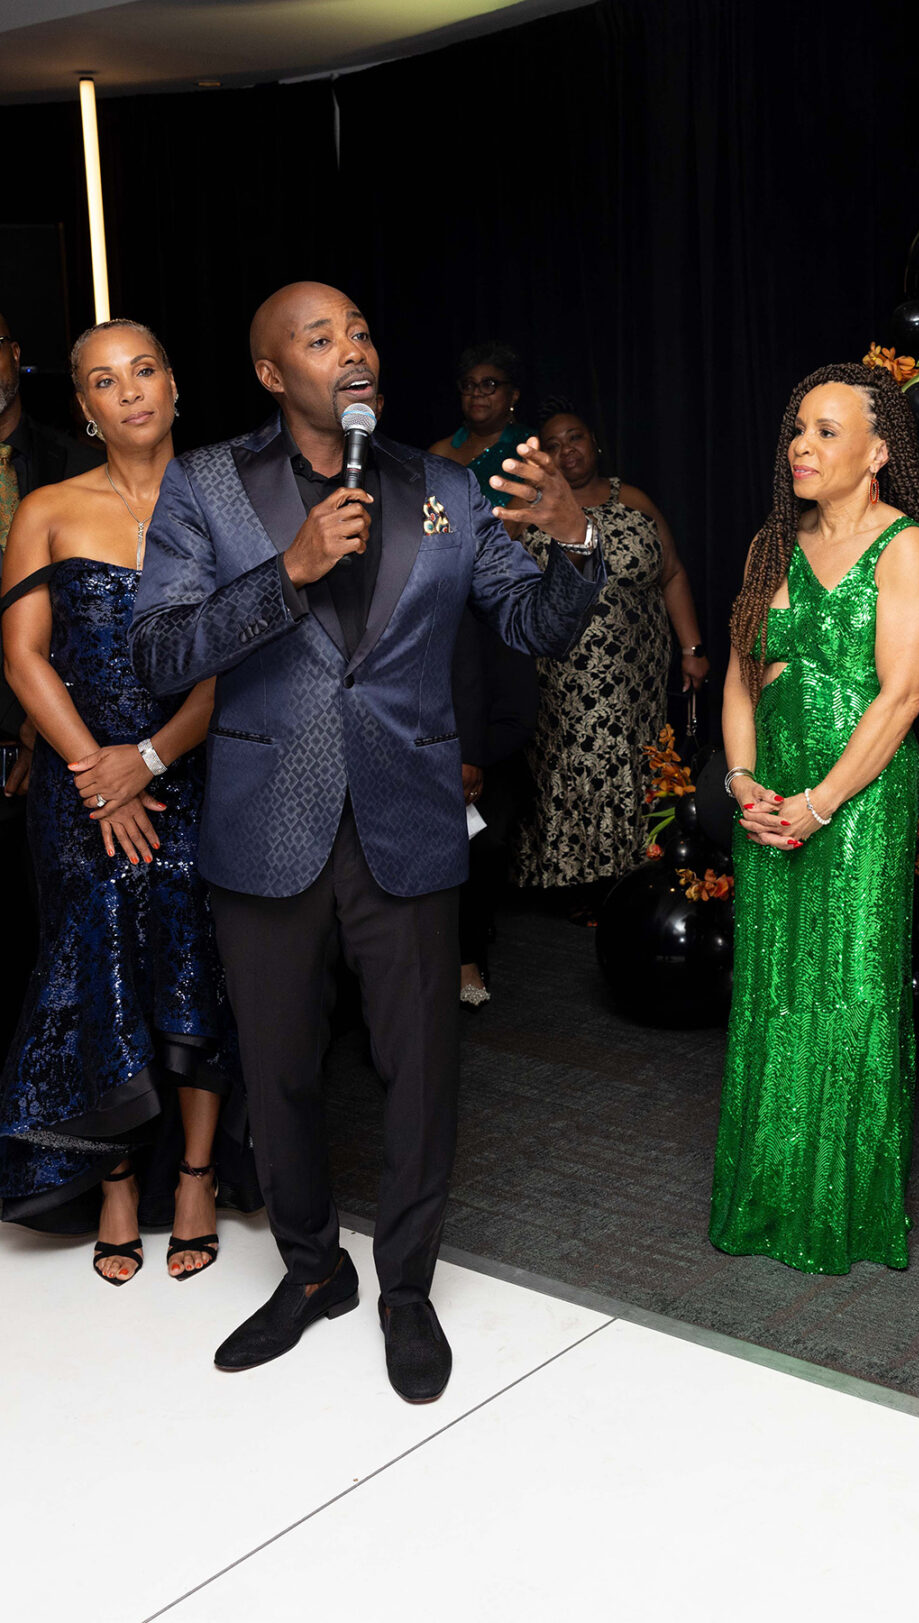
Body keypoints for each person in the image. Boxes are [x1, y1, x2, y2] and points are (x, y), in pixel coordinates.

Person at [130, 283, 604, 1402]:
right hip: (266, 824)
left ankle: (403, 1288)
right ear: (268, 369)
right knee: (282, 1071)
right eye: (320, 337)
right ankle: (309, 1274)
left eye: (362, 332)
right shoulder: (205, 485)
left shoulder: (441, 486)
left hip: (406, 820)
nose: (353, 350)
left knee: (420, 1073)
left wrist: (579, 543)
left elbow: (531, 623)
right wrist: (284, 574)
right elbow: (158, 653)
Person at [0, 319, 257, 1281]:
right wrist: (97, 774)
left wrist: (145, 762)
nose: (132, 390)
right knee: (98, 958)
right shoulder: (51, 507)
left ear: (175, 384)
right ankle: (114, 1178)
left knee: (199, 956)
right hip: (79, 787)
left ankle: (194, 1175)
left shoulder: (228, 509)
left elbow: (238, 653)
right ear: (85, 406)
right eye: (106, 380)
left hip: (197, 769)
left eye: (146, 368)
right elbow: (23, 652)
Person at [712, 364, 919, 1273]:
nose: (803, 447)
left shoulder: (905, 548)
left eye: (827, 431)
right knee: (772, 989)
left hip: (855, 803)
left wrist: (819, 803)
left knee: (848, 989)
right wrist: (741, 782)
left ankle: (839, 1207)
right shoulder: (770, 544)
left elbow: (902, 696)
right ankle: (767, 1192)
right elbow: (740, 677)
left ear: (878, 452)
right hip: (770, 800)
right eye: (797, 430)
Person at [512, 406, 711, 909]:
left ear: (595, 442)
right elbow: (498, 584)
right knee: (576, 763)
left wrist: (691, 648)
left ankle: (632, 874)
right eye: (552, 444)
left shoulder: (634, 499)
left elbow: (672, 573)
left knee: (634, 762)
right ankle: (574, 882)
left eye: (574, 438)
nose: (566, 451)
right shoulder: (526, 506)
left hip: (636, 672)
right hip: (560, 675)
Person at [1, 304, 104, 1048]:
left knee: (46, 923)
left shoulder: (68, 462)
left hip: (55, 723)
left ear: (15, 357)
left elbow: (86, 619)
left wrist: (42, 725)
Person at [452, 606, 537, 1005]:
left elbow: (517, 717)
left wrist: (470, 759)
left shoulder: (494, 612)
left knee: (480, 842)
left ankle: (467, 957)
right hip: (415, 754)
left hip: (488, 757)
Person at [427, 340, 530, 507]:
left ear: (514, 395)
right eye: (469, 385)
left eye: (489, 384)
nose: (476, 392)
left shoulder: (530, 447)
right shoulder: (440, 452)